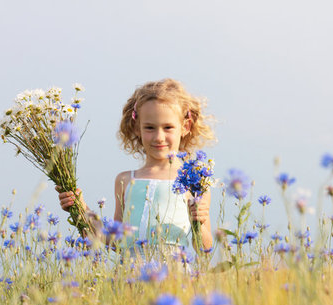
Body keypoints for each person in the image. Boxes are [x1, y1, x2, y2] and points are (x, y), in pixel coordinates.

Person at [57, 79, 215, 254]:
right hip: (132, 277)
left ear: (185, 127)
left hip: (176, 277)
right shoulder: (126, 180)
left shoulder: (195, 181)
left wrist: (198, 223)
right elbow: (116, 242)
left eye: (168, 127)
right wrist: (81, 208)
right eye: (150, 128)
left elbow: (205, 248)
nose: (159, 137)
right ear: (137, 128)